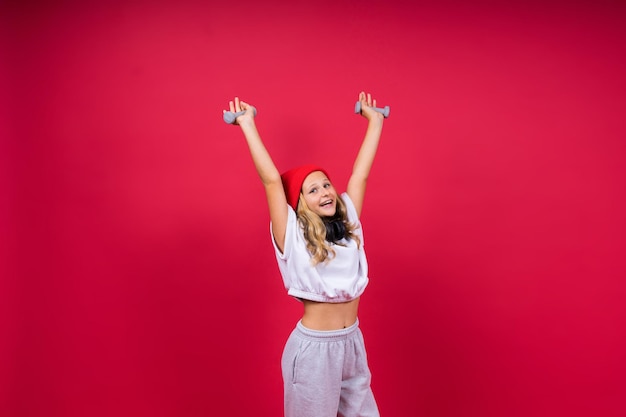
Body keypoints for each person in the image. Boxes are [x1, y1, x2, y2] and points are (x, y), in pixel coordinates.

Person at [223, 91, 385, 417]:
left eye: (326, 184)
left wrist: (375, 121)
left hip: (352, 343)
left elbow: (360, 174)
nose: (325, 191)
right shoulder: (293, 237)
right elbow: (271, 181)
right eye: (313, 190)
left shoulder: (348, 226)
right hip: (314, 351)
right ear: (299, 203)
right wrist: (247, 123)